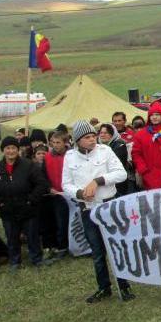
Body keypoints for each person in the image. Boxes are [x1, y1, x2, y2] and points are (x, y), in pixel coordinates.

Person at [63, 120, 133, 303]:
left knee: (115, 247)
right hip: (87, 208)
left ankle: (124, 285)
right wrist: (79, 193)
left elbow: (121, 173)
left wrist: (98, 181)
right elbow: (66, 184)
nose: (92, 140)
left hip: (108, 205)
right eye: (87, 137)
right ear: (78, 140)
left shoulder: (105, 151)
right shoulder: (69, 157)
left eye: (93, 136)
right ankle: (103, 287)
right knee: (97, 250)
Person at [0, 136, 49, 271]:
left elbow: (41, 183)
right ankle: (15, 261)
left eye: (13, 148)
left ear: (18, 150)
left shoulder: (28, 165)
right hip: (7, 208)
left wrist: (31, 199)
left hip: (27, 206)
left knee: (32, 236)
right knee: (11, 237)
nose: (11, 151)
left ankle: (36, 258)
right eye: (7, 148)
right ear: (3, 150)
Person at [44, 131, 70, 259]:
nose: (55, 145)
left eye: (58, 142)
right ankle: (62, 246)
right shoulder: (47, 157)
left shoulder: (71, 155)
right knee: (60, 221)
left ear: (65, 143)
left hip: (71, 193)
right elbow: (43, 175)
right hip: (57, 194)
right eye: (53, 143)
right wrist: (49, 188)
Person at [98, 123, 131, 196]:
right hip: (104, 184)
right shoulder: (98, 146)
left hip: (118, 185)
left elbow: (112, 165)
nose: (102, 135)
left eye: (106, 133)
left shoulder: (120, 145)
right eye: (101, 133)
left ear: (112, 134)